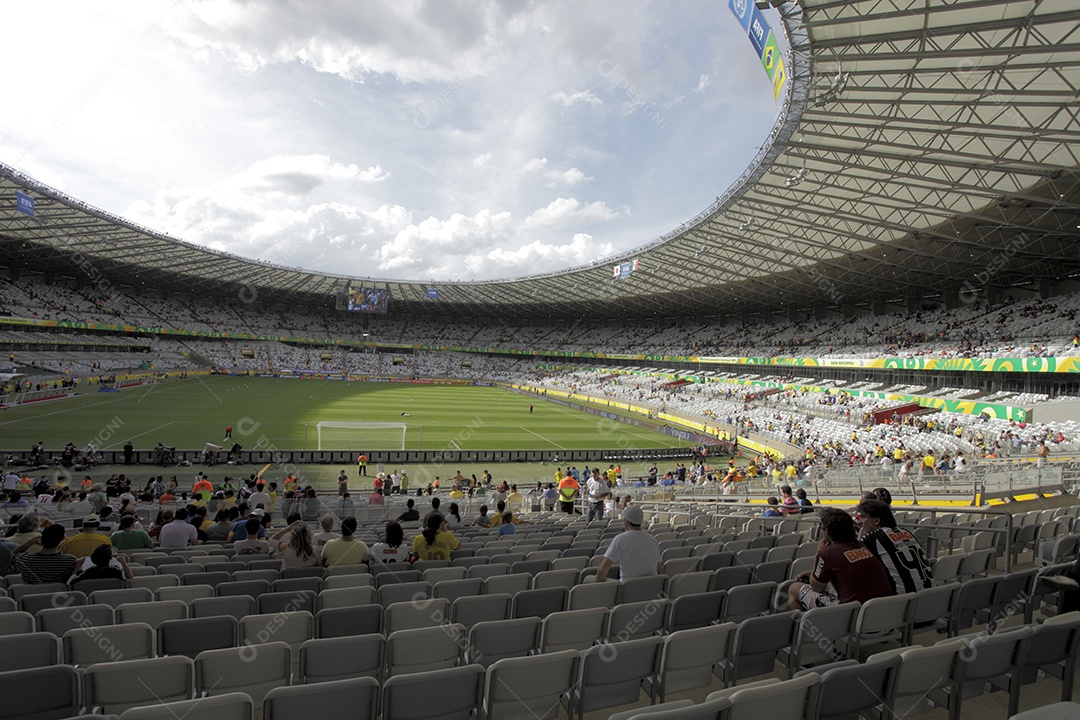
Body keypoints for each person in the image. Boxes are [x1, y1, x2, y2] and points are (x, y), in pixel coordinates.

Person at [788, 508, 894, 610]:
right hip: (880, 609)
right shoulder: (860, 545)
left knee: (794, 589)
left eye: (822, 527)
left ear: (827, 531)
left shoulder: (827, 552)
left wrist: (819, 552)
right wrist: (812, 573)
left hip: (852, 613)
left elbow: (817, 588)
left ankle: (807, 627)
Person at [856, 499, 933, 594]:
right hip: (931, 593)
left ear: (876, 520)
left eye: (863, 517)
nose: (859, 522)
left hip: (902, 599)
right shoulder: (906, 532)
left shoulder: (873, 538)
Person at [594, 506, 661, 582]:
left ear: (626, 521)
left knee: (588, 579)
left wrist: (599, 580)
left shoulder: (621, 539)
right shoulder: (652, 540)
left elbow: (602, 570)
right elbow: (659, 569)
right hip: (651, 587)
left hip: (626, 589)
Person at [12, 524, 77, 584]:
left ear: (41, 538)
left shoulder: (25, 559)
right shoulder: (70, 561)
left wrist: (29, 543)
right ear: (62, 539)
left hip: (31, 595)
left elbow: (13, 554)